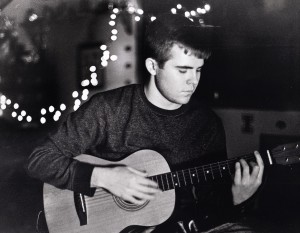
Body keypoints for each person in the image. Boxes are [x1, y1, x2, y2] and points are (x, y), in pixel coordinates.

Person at [27, 13, 264, 233]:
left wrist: (236, 199)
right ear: (153, 66)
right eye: (183, 71)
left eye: (198, 70)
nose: (193, 81)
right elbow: (39, 159)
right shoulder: (108, 109)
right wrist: (104, 177)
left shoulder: (207, 124)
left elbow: (211, 209)